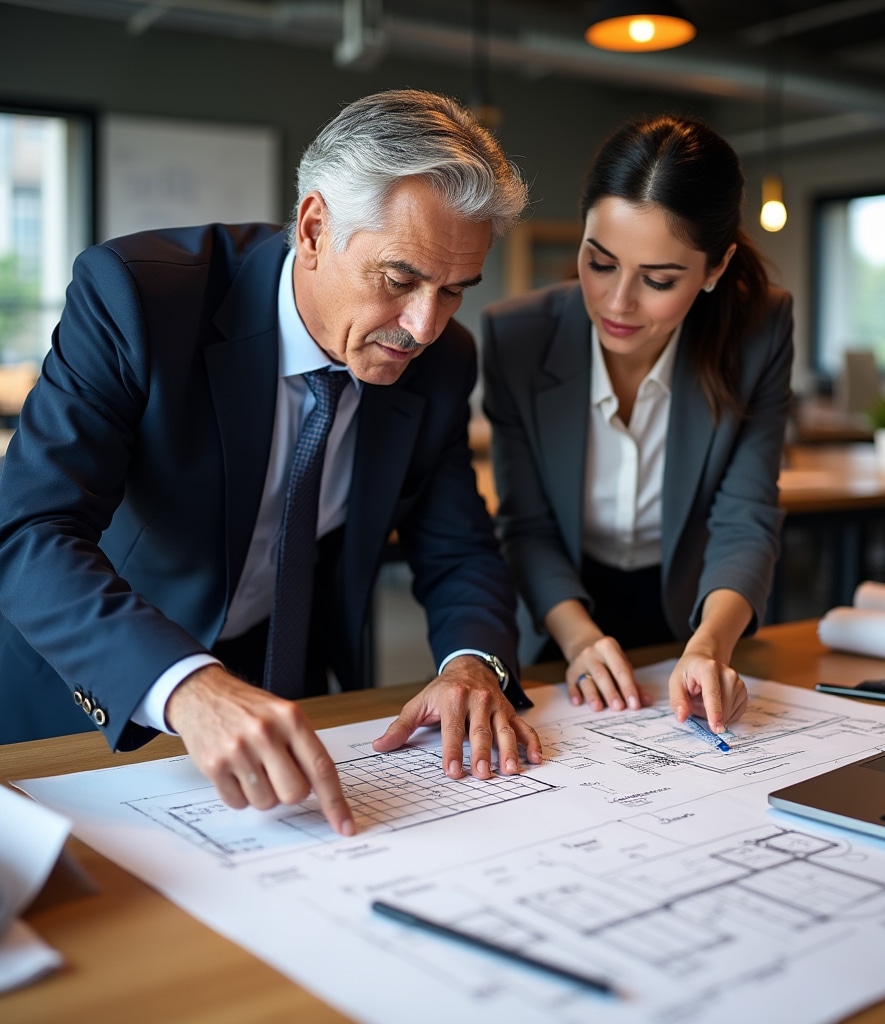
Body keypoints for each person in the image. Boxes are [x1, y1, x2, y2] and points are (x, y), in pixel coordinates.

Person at [0, 89, 542, 835]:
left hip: (292, 703)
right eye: (399, 280)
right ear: (315, 228)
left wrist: (471, 663)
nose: (424, 326)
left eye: (453, 291)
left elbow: (456, 548)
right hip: (94, 700)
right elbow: (31, 533)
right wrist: (188, 687)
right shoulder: (136, 297)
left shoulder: (444, 362)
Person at [482, 113, 793, 736]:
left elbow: (745, 515)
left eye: (658, 280)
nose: (618, 302)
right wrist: (578, 638)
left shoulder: (759, 329)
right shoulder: (516, 335)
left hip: (698, 606)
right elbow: (528, 525)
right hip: (563, 613)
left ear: (714, 268)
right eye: (599, 263)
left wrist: (709, 645)